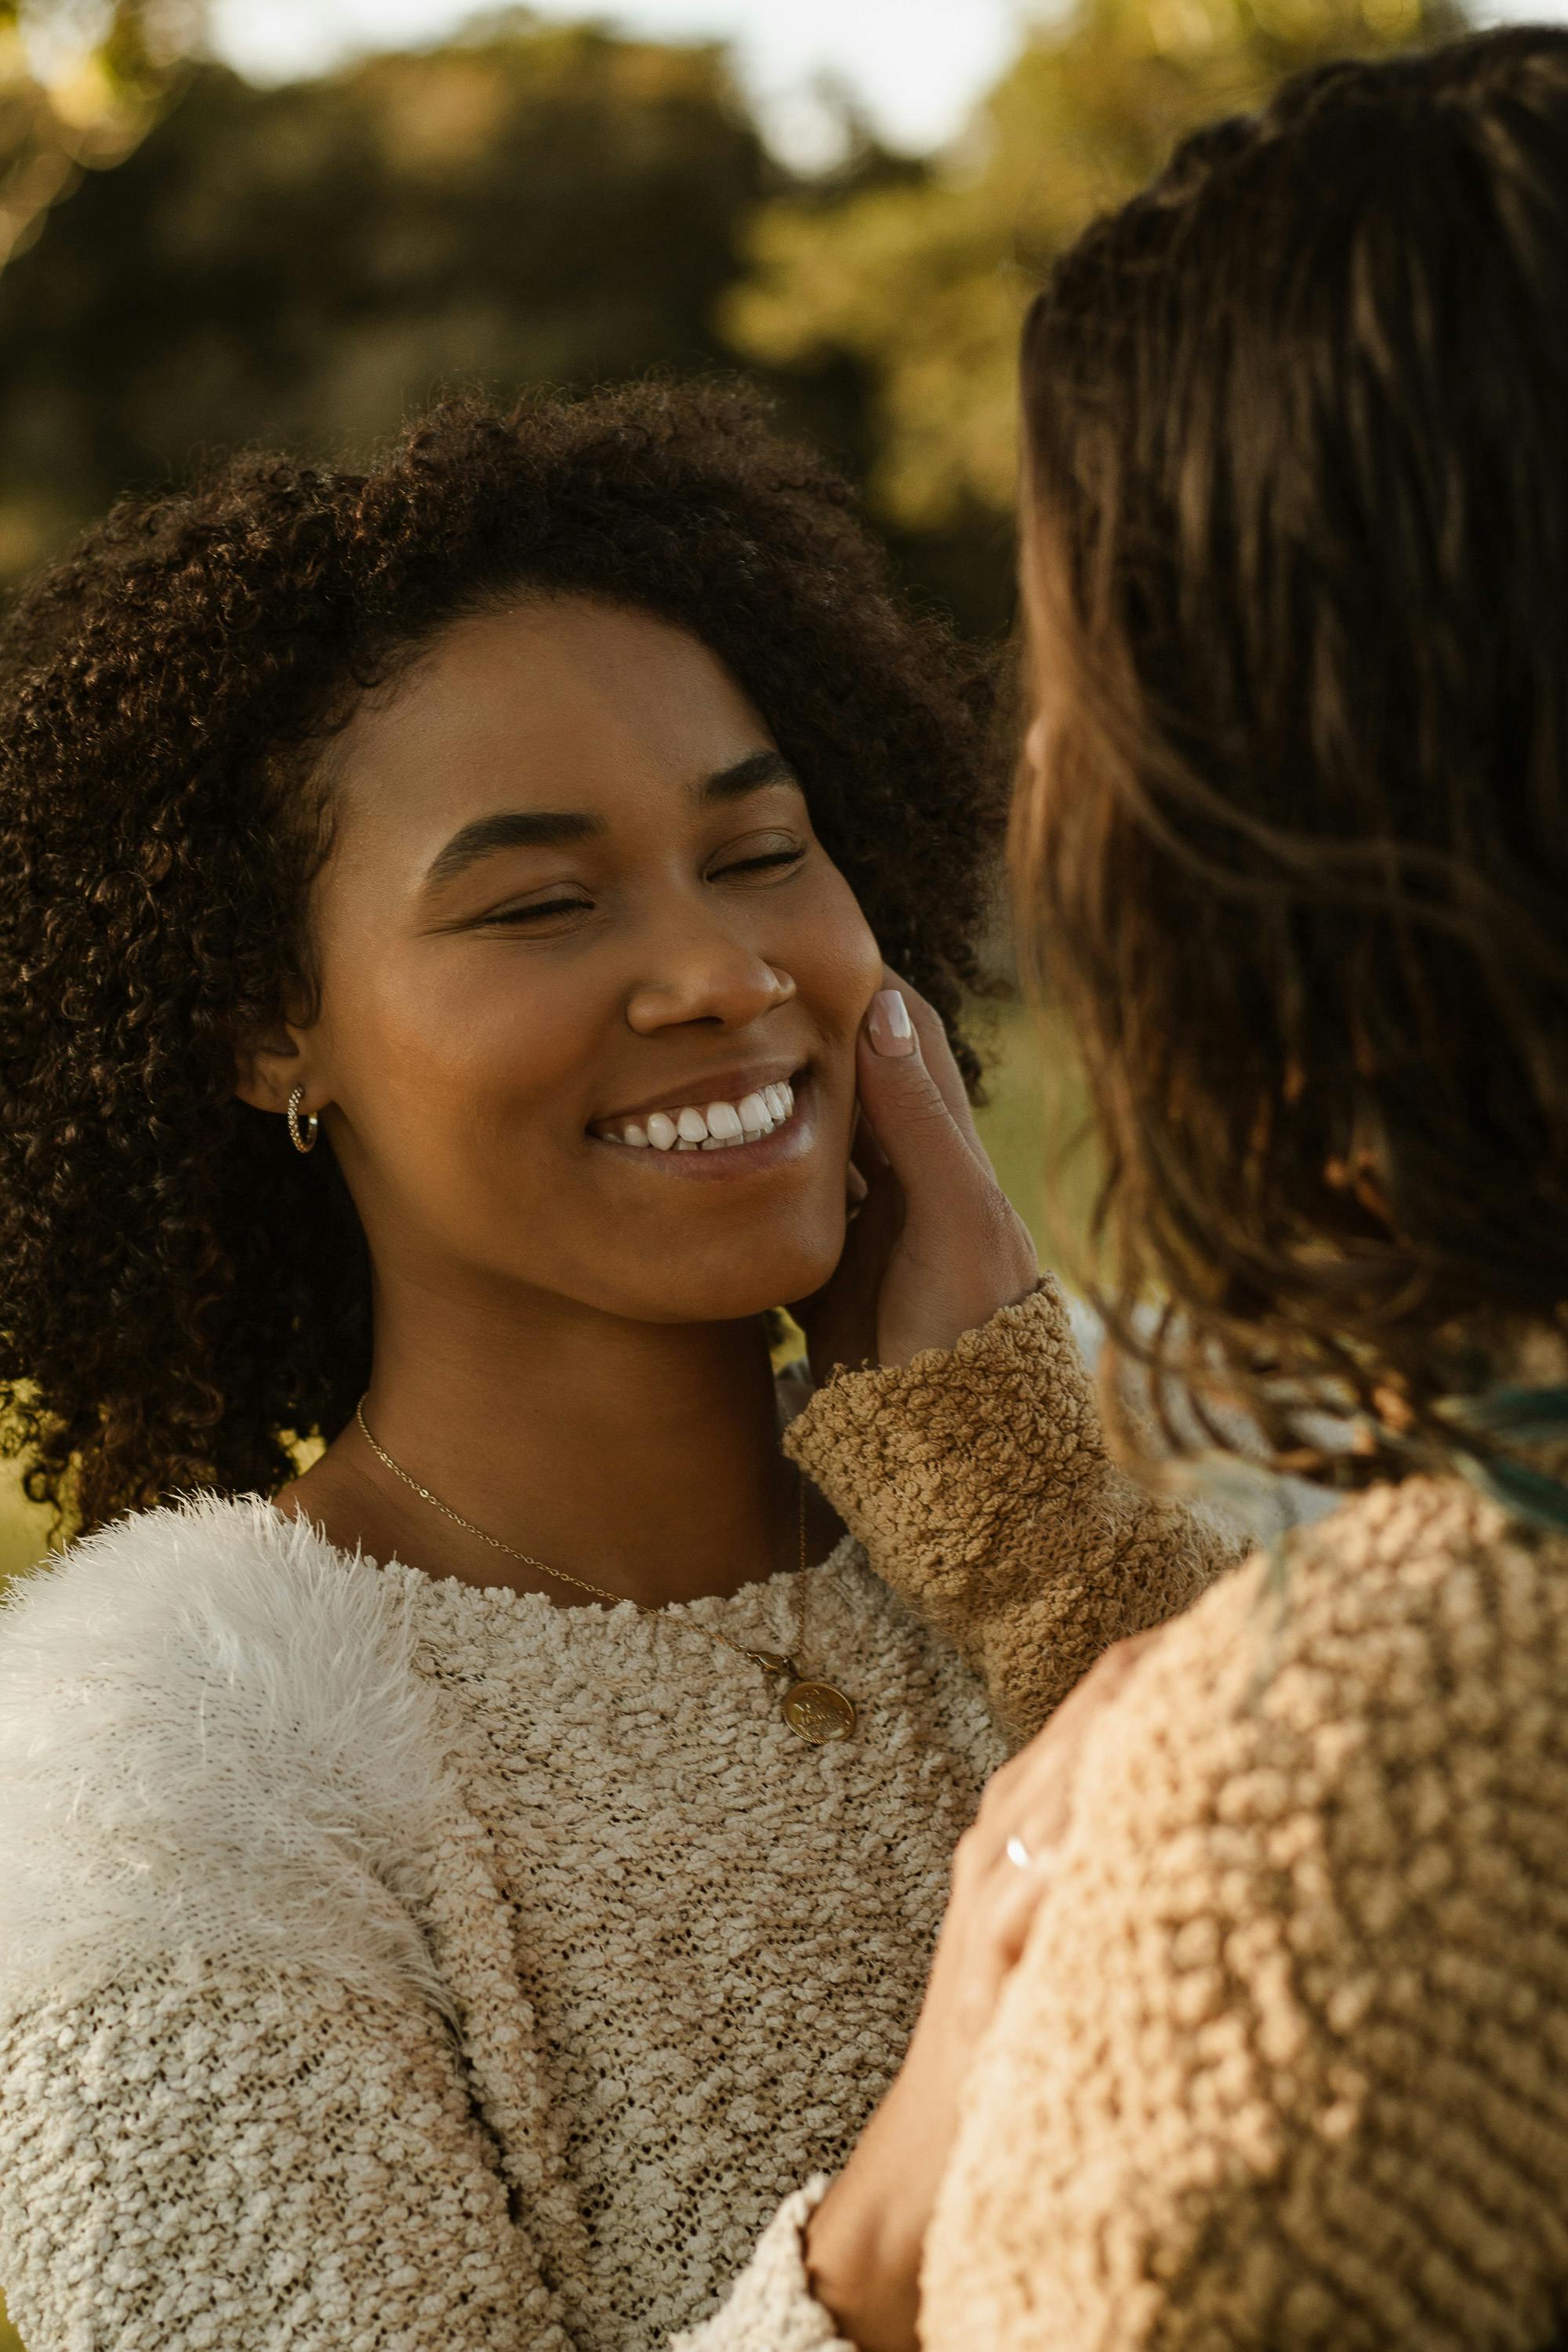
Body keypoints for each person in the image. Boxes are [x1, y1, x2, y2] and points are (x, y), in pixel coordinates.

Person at [0, 383, 1224, 2350]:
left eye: (759, 853)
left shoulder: (1150, 1497)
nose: (725, 976)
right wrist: (887, 2245)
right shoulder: (176, 1786)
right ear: (265, 1029)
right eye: (544, 904)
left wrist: (1028, 1510)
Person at [790, 26, 1568, 2352]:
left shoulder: (1364, 1795)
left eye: (1082, 675)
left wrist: (859, 2266)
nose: (1042, 775)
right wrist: (1050, 1535)